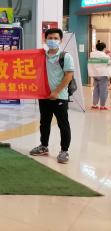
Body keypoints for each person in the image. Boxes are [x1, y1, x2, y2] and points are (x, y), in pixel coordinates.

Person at [30, 28, 73, 164]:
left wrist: (56, 92)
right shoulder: (41, 56)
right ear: (45, 39)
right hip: (44, 96)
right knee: (44, 123)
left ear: (60, 40)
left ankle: (64, 151)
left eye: (55, 38)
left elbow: (68, 76)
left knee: (63, 124)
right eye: (50, 38)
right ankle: (44, 146)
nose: (53, 40)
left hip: (59, 96)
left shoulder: (65, 56)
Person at [88, 42, 110, 110]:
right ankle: (102, 106)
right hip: (103, 75)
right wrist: (108, 55)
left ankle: (94, 105)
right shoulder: (105, 56)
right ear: (104, 48)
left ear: (96, 48)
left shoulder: (92, 54)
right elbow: (109, 63)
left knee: (96, 90)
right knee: (103, 91)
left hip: (95, 75)